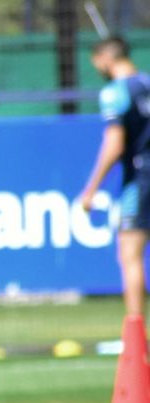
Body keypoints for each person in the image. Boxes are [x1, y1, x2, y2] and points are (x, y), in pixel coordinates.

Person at [76, 36, 150, 320]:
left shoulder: (115, 92)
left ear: (106, 58)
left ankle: (135, 334)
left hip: (140, 178)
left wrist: (91, 188)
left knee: (130, 255)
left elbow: (114, 143)